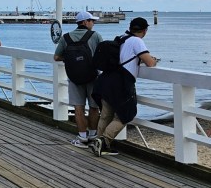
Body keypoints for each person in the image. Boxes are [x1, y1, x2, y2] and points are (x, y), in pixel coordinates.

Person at [90, 17, 159, 157]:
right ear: (145, 30)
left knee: (106, 115)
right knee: (125, 115)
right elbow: (150, 63)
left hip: (105, 80)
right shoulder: (137, 41)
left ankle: (98, 143)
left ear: (131, 27)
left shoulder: (122, 37)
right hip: (121, 84)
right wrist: (154, 60)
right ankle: (103, 141)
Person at [54, 11, 103, 147]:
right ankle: (93, 136)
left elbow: (56, 57)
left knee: (79, 108)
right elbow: (103, 55)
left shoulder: (66, 38)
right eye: (92, 21)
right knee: (94, 107)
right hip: (93, 77)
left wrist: (71, 59)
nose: (93, 23)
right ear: (85, 22)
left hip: (74, 78)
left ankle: (82, 138)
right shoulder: (95, 36)